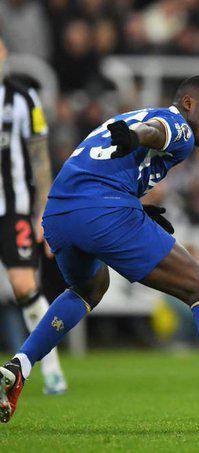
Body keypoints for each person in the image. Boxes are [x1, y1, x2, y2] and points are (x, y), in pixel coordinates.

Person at [0, 75, 199, 430]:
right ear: (189, 104)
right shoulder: (178, 125)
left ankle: (19, 366)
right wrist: (136, 138)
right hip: (103, 209)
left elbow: (117, 153)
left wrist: (134, 198)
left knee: (89, 287)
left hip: (59, 214)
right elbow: (158, 132)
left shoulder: (134, 114)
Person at [0, 38, 67, 394]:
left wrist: (45, 210)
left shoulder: (22, 99)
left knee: (25, 287)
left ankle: (51, 369)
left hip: (14, 209)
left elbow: (39, 156)